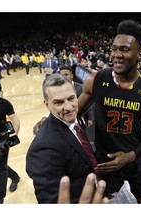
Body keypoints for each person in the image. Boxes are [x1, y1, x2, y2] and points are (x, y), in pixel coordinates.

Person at [77, 20, 141, 204]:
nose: (117, 55)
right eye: (114, 49)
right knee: (98, 204)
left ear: (139, 53)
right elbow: (75, 113)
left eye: (124, 50)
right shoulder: (96, 79)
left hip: (137, 159)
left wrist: (131, 155)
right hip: (106, 161)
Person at [26, 74, 98, 203]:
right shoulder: (43, 148)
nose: (68, 107)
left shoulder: (75, 116)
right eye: (58, 102)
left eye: (71, 98)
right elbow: (51, 201)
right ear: (47, 104)